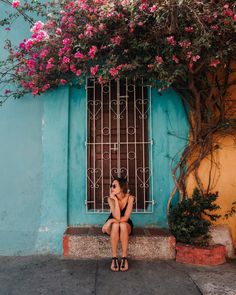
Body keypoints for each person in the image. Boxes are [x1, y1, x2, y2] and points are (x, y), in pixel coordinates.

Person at [102, 177, 134, 272]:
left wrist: (110, 221)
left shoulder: (130, 198)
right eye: (111, 186)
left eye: (114, 186)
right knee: (117, 225)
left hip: (125, 223)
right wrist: (115, 200)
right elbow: (117, 216)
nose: (112, 188)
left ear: (122, 187)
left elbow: (125, 218)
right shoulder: (110, 199)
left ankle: (124, 257)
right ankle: (114, 257)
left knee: (123, 224)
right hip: (114, 224)